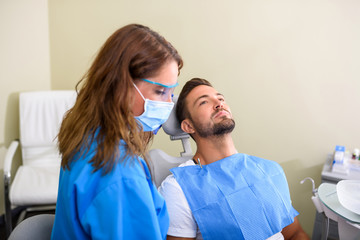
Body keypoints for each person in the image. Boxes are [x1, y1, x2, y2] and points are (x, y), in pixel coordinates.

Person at [51, 24, 183, 239]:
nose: (169, 104)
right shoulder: (121, 176)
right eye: (160, 91)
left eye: (172, 92)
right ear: (121, 85)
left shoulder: (88, 135)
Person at [159, 78, 309, 240]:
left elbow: (295, 233)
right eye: (203, 102)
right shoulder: (179, 188)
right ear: (189, 126)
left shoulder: (267, 170)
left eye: (220, 98)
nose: (218, 104)